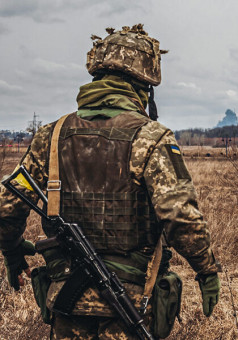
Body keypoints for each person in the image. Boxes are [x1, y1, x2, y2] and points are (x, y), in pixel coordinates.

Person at [0, 24, 221, 339]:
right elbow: (180, 216)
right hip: (130, 299)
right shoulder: (151, 137)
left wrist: (11, 251)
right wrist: (207, 270)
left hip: (66, 297)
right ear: (143, 87)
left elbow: (7, 208)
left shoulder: (52, 135)